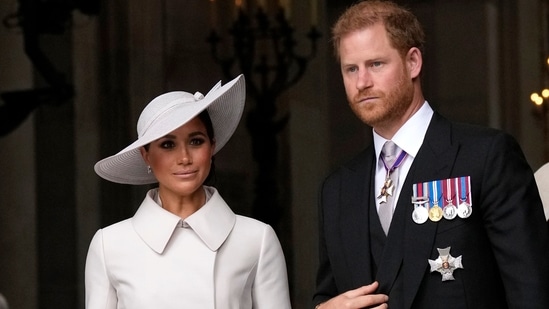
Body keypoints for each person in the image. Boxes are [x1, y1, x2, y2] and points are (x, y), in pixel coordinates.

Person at [313, 1, 549, 308]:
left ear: (413, 62)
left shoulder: (487, 157)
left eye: (376, 64)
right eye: (351, 69)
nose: (362, 82)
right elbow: (327, 296)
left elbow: (532, 294)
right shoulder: (336, 190)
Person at [85, 74, 291, 308]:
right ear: (146, 155)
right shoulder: (109, 245)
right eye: (168, 144)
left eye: (196, 141)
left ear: (212, 146)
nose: (184, 158)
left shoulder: (257, 239)